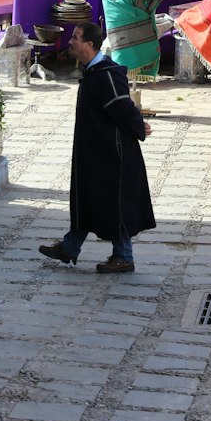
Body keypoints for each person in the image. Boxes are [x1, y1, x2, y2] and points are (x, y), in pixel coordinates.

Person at [39, 21, 155, 273]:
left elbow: (122, 107)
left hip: (113, 154)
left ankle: (124, 256)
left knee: (115, 202)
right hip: (96, 152)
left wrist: (138, 125)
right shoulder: (93, 72)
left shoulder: (107, 74)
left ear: (89, 45)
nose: (70, 42)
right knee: (89, 198)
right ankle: (70, 247)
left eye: (76, 37)